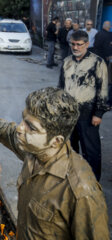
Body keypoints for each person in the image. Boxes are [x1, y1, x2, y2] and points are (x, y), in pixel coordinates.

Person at [0, 87, 109, 239]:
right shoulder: (35, 149)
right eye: (23, 119)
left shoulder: (81, 192)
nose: (20, 128)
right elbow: (6, 131)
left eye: (32, 127)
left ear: (56, 141)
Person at [59, 30, 109, 181]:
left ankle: (92, 183)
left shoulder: (97, 62)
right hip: (69, 113)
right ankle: (72, 179)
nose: (76, 47)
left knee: (91, 150)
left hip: (88, 113)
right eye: (73, 44)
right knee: (70, 147)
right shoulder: (66, 62)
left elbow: (103, 89)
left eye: (79, 44)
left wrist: (98, 113)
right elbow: (61, 87)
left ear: (87, 44)